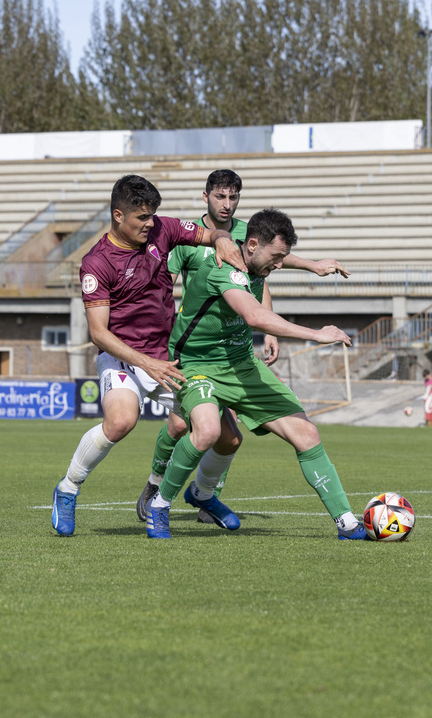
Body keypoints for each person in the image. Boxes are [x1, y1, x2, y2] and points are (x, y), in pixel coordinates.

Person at [138, 169, 349, 523]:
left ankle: (205, 495)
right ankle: (156, 485)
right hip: (194, 353)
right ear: (205, 195)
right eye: (220, 196)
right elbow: (164, 280)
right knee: (182, 427)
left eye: (233, 197)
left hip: (235, 355)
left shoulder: (249, 237)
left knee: (229, 438)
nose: (227, 203)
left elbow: (270, 264)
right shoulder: (194, 239)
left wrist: (312, 266)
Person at [50, 174, 246, 536]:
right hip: (123, 357)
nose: (150, 223)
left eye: (153, 215)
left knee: (227, 435)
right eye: (142, 217)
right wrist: (145, 363)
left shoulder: (163, 230)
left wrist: (221, 240)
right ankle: (67, 488)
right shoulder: (96, 263)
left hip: (167, 356)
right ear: (118, 215)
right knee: (121, 421)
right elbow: (99, 334)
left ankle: (201, 494)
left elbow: (211, 231)